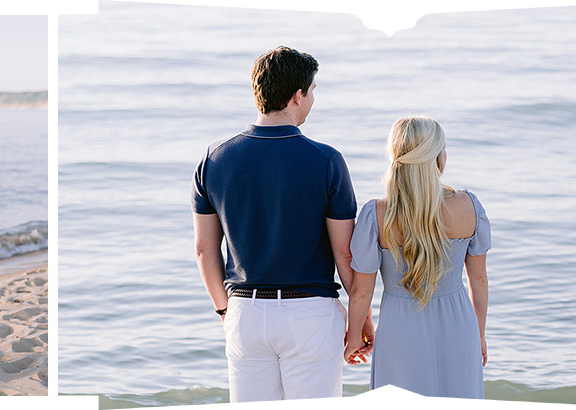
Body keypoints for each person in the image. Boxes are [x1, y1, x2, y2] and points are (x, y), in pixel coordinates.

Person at [191, 46, 371, 402]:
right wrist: (358, 321)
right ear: (297, 95)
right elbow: (345, 255)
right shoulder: (326, 160)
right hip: (310, 314)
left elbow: (203, 249)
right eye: (313, 91)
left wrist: (224, 310)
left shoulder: (214, 159)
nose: (312, 100)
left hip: (244, 310)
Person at [342, 116, 490, 398]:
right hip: (460, 325)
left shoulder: (376, 215)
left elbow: (362, 291)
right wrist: (479, 334)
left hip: (401, 327)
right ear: (437, 156)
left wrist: (353, 339)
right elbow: (479, 280)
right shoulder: (469, 206)